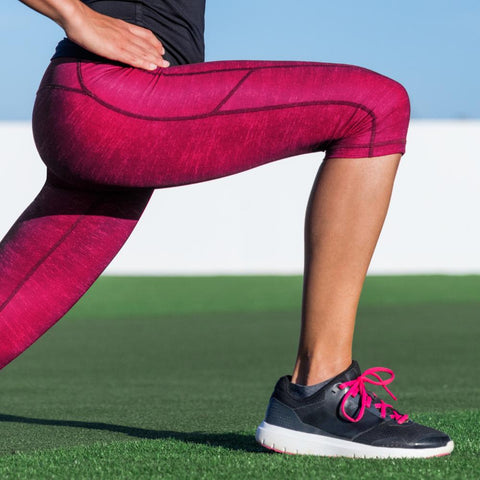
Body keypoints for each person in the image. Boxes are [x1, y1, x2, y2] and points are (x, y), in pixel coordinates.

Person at [1, 0, 453, 458]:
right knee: (374, 108)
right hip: (116, 96)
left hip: (97, 101)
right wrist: (75, 14)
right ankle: (319, 392)